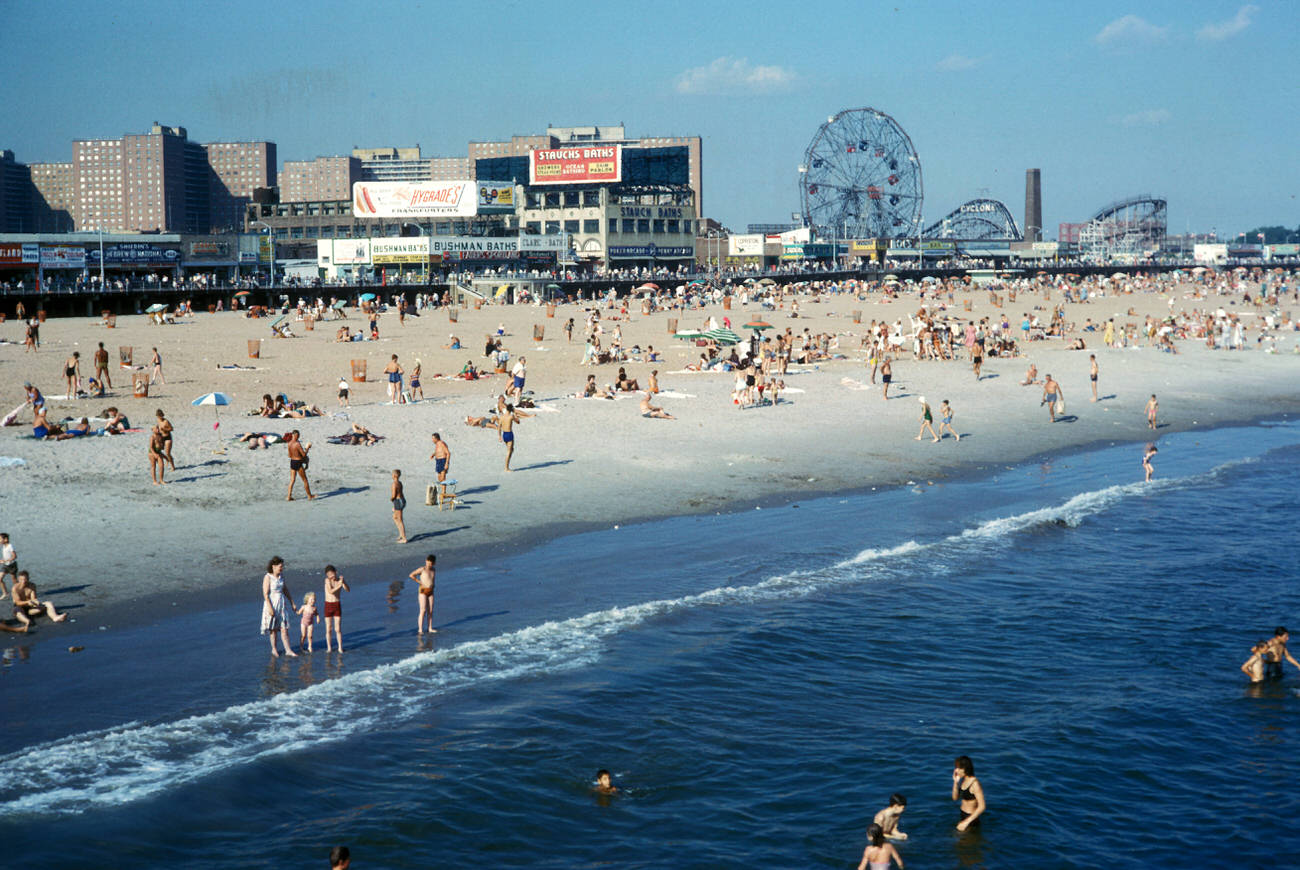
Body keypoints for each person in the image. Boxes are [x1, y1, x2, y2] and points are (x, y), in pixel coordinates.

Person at [260, 556, 297, 657]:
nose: (281, 568)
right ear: (274, 566)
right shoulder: (268, 577)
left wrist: (292, 602)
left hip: (281, 604)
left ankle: (288, 650)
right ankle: (274, 649)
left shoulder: (281, 576)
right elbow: (265, 594)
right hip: (272, 604)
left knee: (284, 628)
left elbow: (285, 590)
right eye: (280, 566)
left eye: (282, 567)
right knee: (274, 629)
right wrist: (270, 608)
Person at [952, 755, 986, 831]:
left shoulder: (975, 784)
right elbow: (955, 798)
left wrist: (966, 822)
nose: (956, 770)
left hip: (971, 819)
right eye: (956, 767)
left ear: (966, 769)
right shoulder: (963, 780)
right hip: (962, 815)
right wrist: (955, 782)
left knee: (967, 841)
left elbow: (982, 806)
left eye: (959, 768)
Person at [496, 403, 531, 472]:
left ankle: (507, 466)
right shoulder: (511, 416)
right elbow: (518, 422)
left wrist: (499, 436)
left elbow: (499, 427)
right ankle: (506, 468)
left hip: (504, 434)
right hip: (509, 434)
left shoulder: (502, 417)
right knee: (509, 451)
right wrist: (515, 415)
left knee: (511, 450)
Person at [323, 565, 349, 652]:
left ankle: (340, 647)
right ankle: (329, 648)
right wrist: (339, 585)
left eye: (331, 573)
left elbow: (348, 590)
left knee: (337, 629)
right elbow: (331, 591)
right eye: (328, 574)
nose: (330, 576)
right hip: (328, 605)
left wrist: (343, 582)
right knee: (328, 628)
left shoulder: (339, 581)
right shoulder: (327, 581)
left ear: (335, 572)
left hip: (337, 604)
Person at [408, 554, 436, 634]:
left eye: (430, 563)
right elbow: (411, 575)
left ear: (433, 563)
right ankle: (420, 629)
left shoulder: (433, 570)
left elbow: (433, 579)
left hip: (431, 591)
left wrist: (433, 585)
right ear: (426, 561)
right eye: (428, 563)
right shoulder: (422, 569)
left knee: (430, 610)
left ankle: (430, 627)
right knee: (423, 610)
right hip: (423, 591)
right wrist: (419, 582)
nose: (429, 565)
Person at [286, 431, 315, 500]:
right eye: (298, 436)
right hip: (298, 462)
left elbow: (289, 455)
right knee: (305, 480)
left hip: (292, 462)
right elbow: (304, 455)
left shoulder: (289, 443)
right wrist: (307, 448)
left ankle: (288, 496)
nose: (298, 437)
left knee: (292, 480)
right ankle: (309, 496)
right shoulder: (297, 444)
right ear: (295, 435)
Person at [430, 432, 451, 499]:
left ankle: (444, 493)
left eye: (433, 438)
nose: (432, 440)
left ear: (436, 438)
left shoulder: (442, 443)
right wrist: (433, 454)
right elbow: (438, 451)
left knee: (443, 477)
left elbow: (448, 453)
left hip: (443, 461)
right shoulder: (437, 444)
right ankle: (443, 491)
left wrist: (446, 463)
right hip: (438, 461)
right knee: (439, 478)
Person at [391, 469, 408, 544]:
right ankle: (401, 534)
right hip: (402, 500)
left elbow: (394, 495)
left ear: (394, 475)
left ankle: (404, 538)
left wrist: (391, 499)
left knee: (400, 520)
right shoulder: (400, 483)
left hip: (398, 501)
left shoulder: (394, 484)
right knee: (395, 517)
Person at [0, 532, 15, 598]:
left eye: (0, 539)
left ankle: (18, 592)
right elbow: (6, 556)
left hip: (12, 565)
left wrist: (5, 561)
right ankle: (5, 593)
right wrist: (2, 560)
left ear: (5, 539)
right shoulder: (3, 546)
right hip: (5, 566)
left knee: (14, 581)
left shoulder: (10, 546)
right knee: (0, 579)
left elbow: (14, 556)